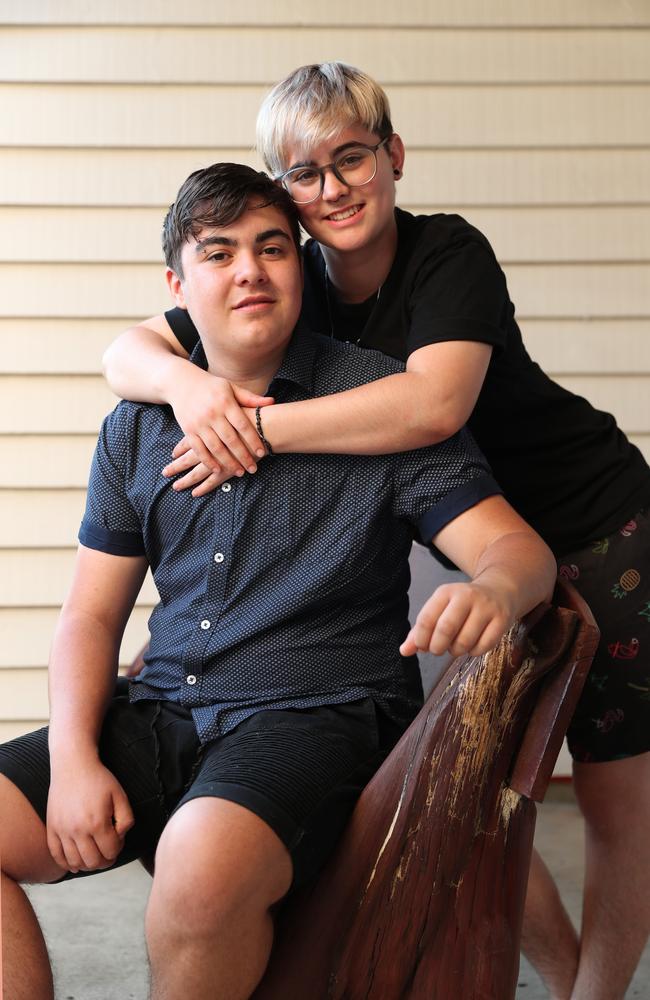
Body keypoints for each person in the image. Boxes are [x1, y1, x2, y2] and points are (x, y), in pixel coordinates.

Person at [102, 63, 650, 1000]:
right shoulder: (290, 273)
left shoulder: (449, 256)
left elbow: (433, 407)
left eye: (351, 158)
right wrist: (193, 390)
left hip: (595, 523)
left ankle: (599, 995)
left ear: (392, 157)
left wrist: (248, 429)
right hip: (460, 528)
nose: (333, 188)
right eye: (304, 174)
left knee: (611, 795)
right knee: (468, 779)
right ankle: (556, 975)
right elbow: (128, 351)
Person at [0, 163, 555, 1000]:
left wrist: (497, 591)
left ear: (301, 267)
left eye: (271, 248)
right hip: (163, 713)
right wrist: (75, 756)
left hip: (319, 715)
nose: (250, 270)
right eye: (218, 254)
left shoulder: (377, 400)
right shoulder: (137, 427)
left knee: (200, 869)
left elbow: (517, 550)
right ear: (177, 285)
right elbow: (90, 613)